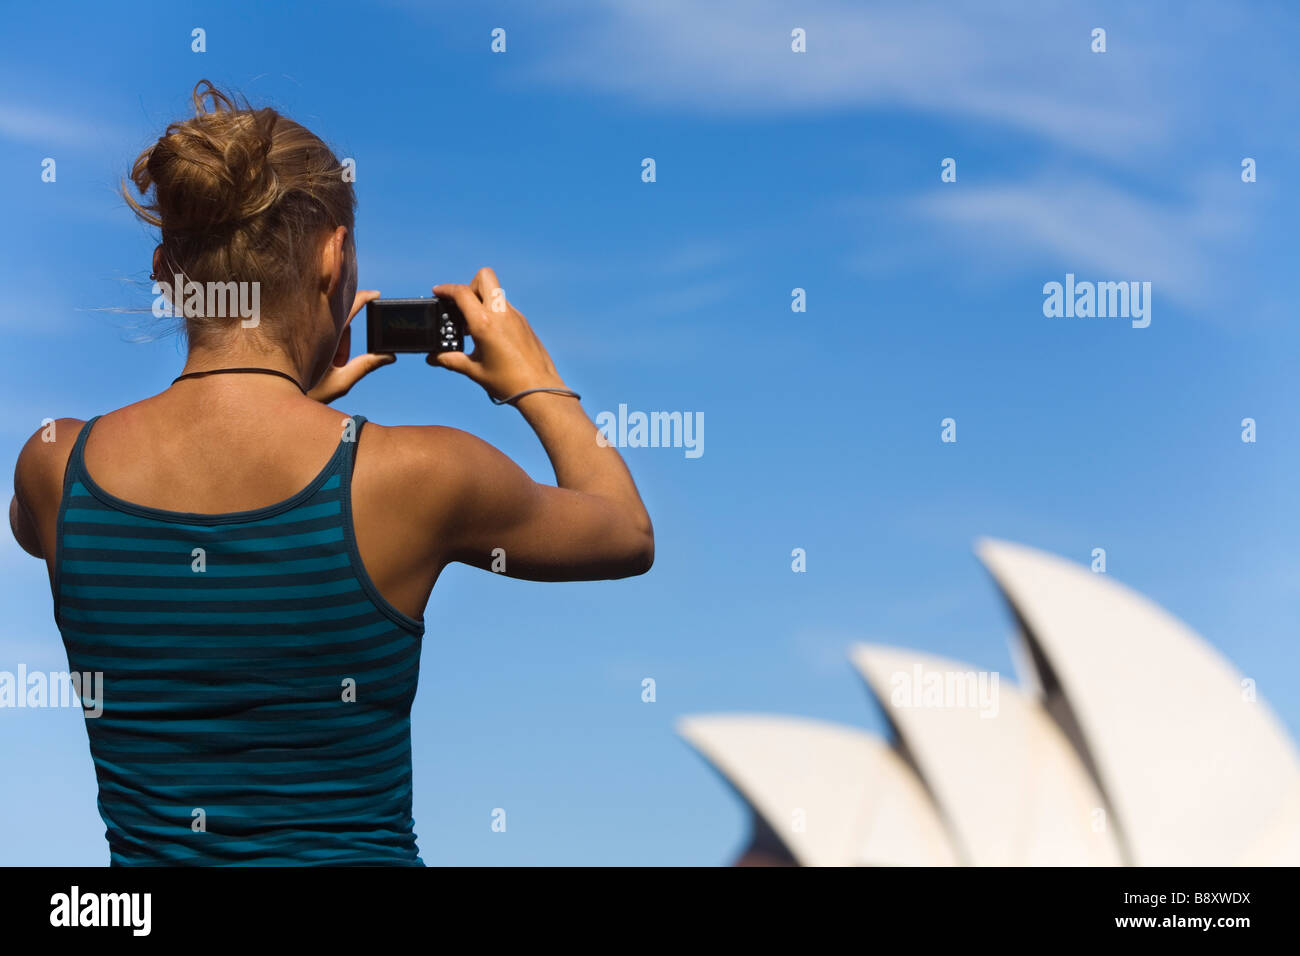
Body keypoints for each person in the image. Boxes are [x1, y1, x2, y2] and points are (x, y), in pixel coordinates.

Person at [8, 80, 653, 865]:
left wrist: (290, 402)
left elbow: (188, 511)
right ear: (333, 257)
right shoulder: (418, 473)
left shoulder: (54, 465)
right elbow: (625, 533)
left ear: (166, 271)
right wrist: (535, 379)